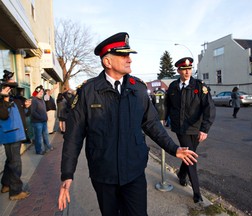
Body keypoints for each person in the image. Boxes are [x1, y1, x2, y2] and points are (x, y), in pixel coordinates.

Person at [58, 32, 198, 216]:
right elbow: (74, 136)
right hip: (103, 173)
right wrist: (67, 173)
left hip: (134, 171)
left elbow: (152, 124)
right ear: (107, 62)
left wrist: (174, 149)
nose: (129, 60)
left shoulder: (138, 89)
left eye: (129, 55)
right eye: (123, 55)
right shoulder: (88, 91)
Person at [165, 57, 216, 204]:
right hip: (181, 129)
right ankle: (197, 193)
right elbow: (168, 105)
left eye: (189, 69)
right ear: (178, 70)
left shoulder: (200, 86)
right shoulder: (173, 87)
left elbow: (209, 108)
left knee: (189, 153)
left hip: (196, 128)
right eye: (184, 69)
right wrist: (164, 117)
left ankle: (181, 174)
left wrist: (205, 129)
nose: (187, 72)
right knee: (191, 157)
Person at [0, 70, 31, 200]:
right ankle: (15, 192)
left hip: (17, 134)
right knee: (15, 164)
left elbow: (24, 114)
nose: (11, 88)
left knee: (10, 161)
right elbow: (3, 115)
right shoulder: (2, 100)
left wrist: (26, 106)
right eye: (9, 85)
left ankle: (6, 184)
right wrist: (4, 98)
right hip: (10, 136)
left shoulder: (15, 99)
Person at [31, 85, 54, 155]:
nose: (41, 93)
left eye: (42, 92)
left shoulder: (42, 100)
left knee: (46, 135)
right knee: (38, 137)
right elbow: (33, 112)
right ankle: (39, 150)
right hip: (37, 122)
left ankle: (48, 147)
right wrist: (41, 117)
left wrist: (45, 117)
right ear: (37, 92)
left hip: (43, 121)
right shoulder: (34, 100)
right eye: (40, 92)